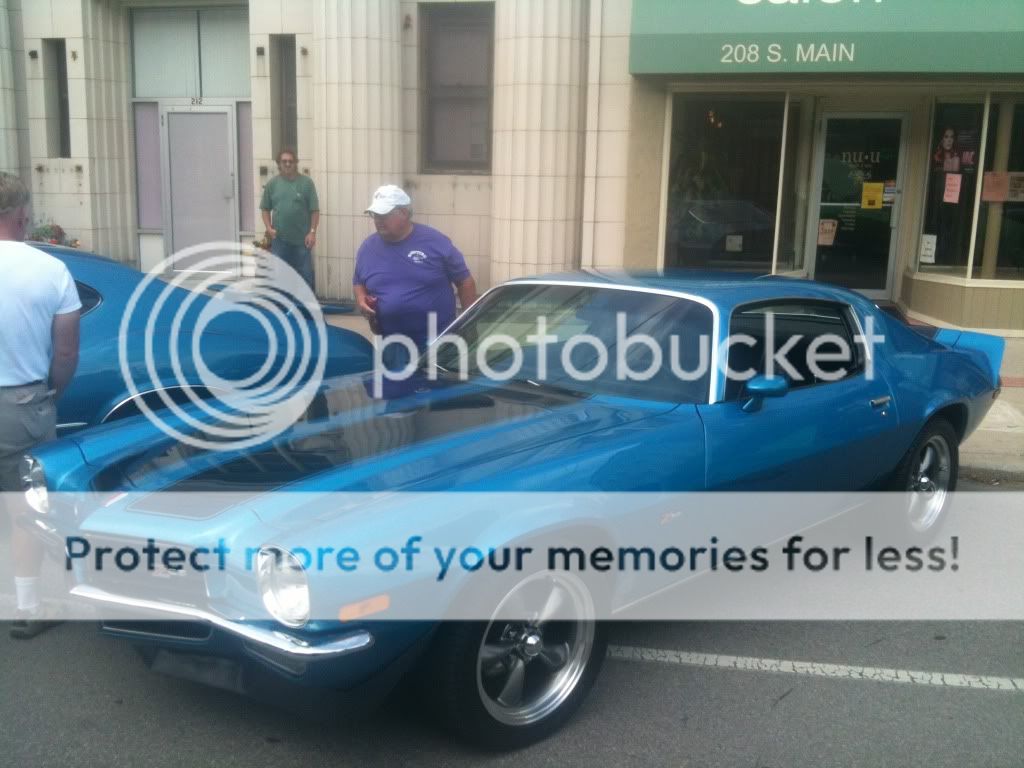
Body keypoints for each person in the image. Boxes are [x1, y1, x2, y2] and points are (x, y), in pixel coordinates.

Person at [0, 172, 80, 638]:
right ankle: (29, 605)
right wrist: (54, 393)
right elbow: (66, 353)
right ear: (24, 214)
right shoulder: (50, 270)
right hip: (22, 403)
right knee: (26, 510)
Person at [354, 185, 477, 367]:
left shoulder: (435, 242)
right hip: (393, 343)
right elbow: (358, 282)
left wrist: (469, 324)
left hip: (437, 341)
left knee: (437, 393)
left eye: (384, 215)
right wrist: (361, 299)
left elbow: (465, 281)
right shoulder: (367, 248)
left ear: (404, 213)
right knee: (396, 392)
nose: (378, 220)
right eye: (375, 215)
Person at [260, 148, 320, 291]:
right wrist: (269, 227)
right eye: (284, 161)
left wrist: (312, 232)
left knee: (305, 276)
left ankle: (307, 309)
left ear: (296, 163)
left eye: (290, 161)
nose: (287, 164)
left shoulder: (306, 183)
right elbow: (265, 209)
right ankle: (281, 307)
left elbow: (315, 210)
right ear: (279, 164)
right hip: (280, 241)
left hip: (302, 241)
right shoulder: (272, 184)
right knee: (279, 276)